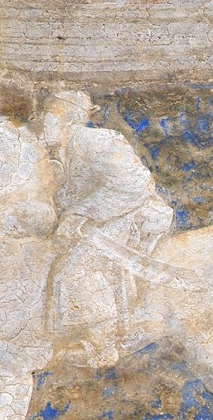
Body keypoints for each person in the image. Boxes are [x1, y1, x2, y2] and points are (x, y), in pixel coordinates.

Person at [41, 90, 175, 367]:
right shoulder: (53, 151)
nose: (46, 118)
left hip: (127, 213)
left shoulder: (97, 141)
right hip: (89, 218)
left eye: (53, 112)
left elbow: (133, 184)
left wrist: (80, 213)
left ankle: (102, 347)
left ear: (71, 114)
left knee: (77, 269)